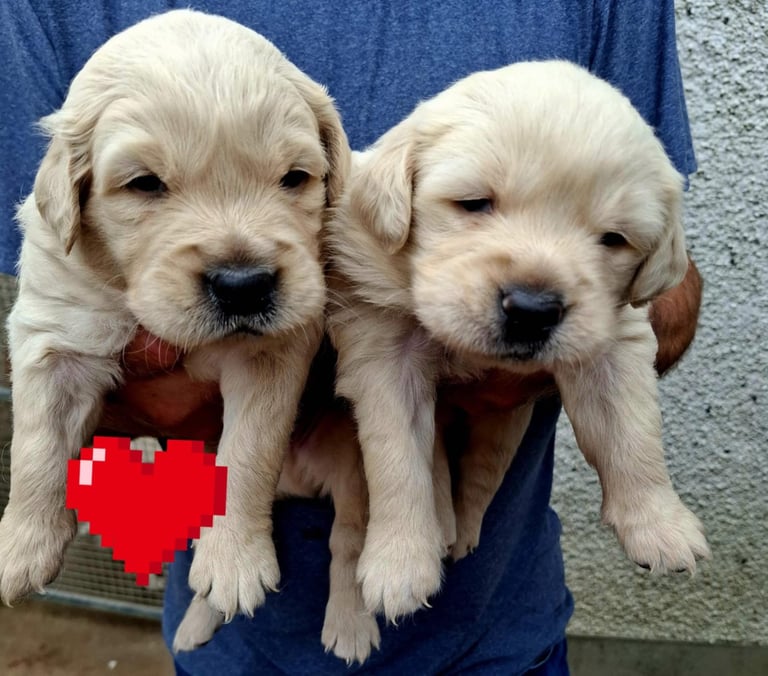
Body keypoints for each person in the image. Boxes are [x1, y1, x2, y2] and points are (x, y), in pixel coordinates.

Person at [0, 1, 701, 674]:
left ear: (338, 173)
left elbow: (657, 300)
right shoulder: (50, 26)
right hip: (231, 635)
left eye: (295, 178)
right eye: (149, 184)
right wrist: (52, 490)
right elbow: (41, 333)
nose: (241, 259)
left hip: (502, 631)